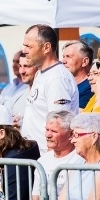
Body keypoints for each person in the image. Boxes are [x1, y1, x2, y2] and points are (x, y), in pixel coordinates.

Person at [21, 24, 79, 152]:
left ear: (46, 47)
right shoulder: (41, 73)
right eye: (24, 46)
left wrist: (50, 160)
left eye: (29, 46)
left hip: (46, 157)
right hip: (34, 154)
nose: (24, 51)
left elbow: (58, 125)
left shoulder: (57, 78)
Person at [61, 41, 94, 109]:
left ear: (85, 62)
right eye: (63, 57)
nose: (63, 61)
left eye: (69, 56)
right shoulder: (64, 84)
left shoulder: (91, 87)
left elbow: (77, 115)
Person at [12, 52, 39, 127]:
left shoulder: (46, 95)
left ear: (38, 67)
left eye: (26, 66)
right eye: (20, 66)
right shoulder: (17, 98)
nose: (22, 71)